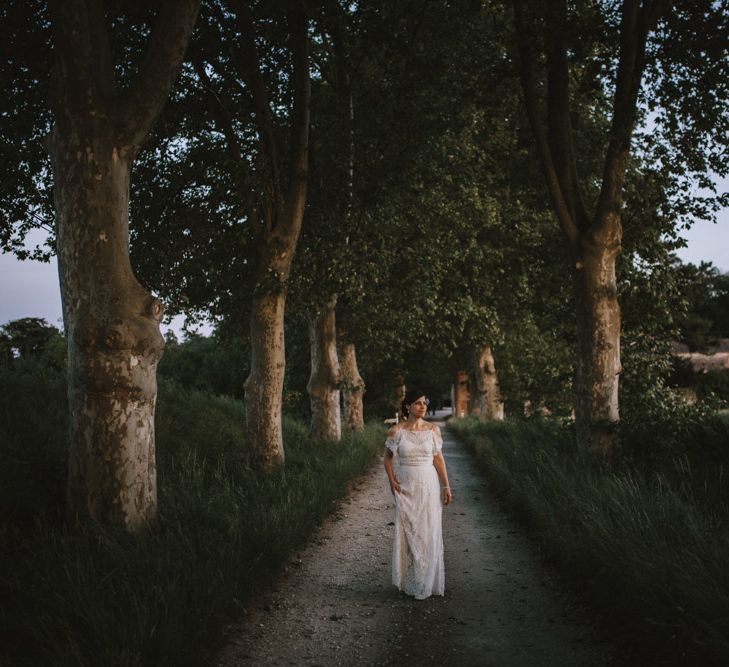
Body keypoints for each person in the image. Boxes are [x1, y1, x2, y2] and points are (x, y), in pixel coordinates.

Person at [383, 389, 452, 600]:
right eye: (418, 403)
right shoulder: (396, 431)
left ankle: (426, 580)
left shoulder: (433, 430)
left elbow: (438, 459)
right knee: (409, 529)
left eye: (424, 403)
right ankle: (411, 578)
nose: (423, 406)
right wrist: (392, 479)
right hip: (405, 486)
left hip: (429, 484)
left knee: (428, 529)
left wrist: (446, 486)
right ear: (408, 407)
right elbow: (387, 458)